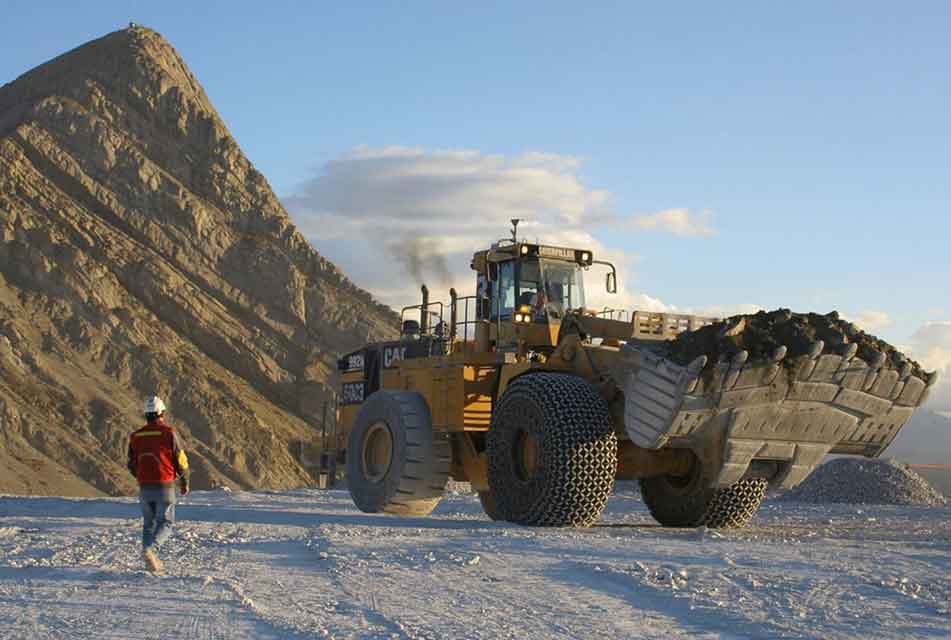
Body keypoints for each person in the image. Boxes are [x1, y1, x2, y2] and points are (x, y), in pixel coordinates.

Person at [127, 395, 190, 573]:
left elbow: (131, 463)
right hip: (165, 485)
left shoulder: (136, 436)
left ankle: (149, 558)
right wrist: (184, 481)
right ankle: (151, 551)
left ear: (146, 415)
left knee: (149, 524)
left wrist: (141, 477)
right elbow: (181, 460)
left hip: (145, 487)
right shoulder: (169, 433)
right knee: (166, 523)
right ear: (162, 412)